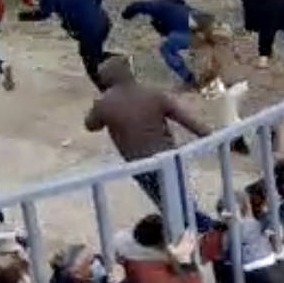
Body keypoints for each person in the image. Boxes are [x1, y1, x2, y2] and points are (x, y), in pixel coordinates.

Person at [83, 55, 217, 230]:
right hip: (169, 157)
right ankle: (201, 229)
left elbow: (91, 125)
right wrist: (213, 137)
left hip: (140, 165)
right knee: (182, 199)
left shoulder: (104, 103)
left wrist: (99, 107)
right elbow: (187, 120)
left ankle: (196, 230)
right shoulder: (153, 94)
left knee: (165, 203)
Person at [18, 0, 111, 90]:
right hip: (103, 21)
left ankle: (112, 93)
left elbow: (44, 13)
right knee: (94, 54)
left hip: (84, 29)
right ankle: (116, 75)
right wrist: (91, 6)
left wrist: (22, 16)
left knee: (92, 65)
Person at [192, 13, 252, 155]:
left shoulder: (219, 42)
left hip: (233, 84)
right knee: (222, 115)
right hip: (224, 84)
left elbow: (209, 71)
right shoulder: (206, 47)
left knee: (227, 115)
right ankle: (237, 140)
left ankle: (246, 136)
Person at [121, 0, 201, 89]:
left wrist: (126, 14)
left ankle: (189, 79)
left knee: (166, 48)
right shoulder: (184, 9)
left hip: (190, 34)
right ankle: (199, 71)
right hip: (204, 29)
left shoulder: (159, 5)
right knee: (196, 48)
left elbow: (138, 5)